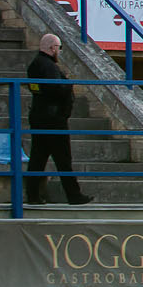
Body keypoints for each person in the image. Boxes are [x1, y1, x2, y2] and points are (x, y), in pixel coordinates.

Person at [24, 33, 88, 206]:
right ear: (52, 48)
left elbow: (37, 88)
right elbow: (56, 90)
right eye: (59, 48)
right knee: (63, 159)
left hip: (40, 116)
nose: (59, 51)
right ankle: (74, 195)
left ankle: (33, 195)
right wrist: (67, 86)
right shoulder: (49, 67)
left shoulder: (36, 64)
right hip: (53, 119)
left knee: (38, 157)